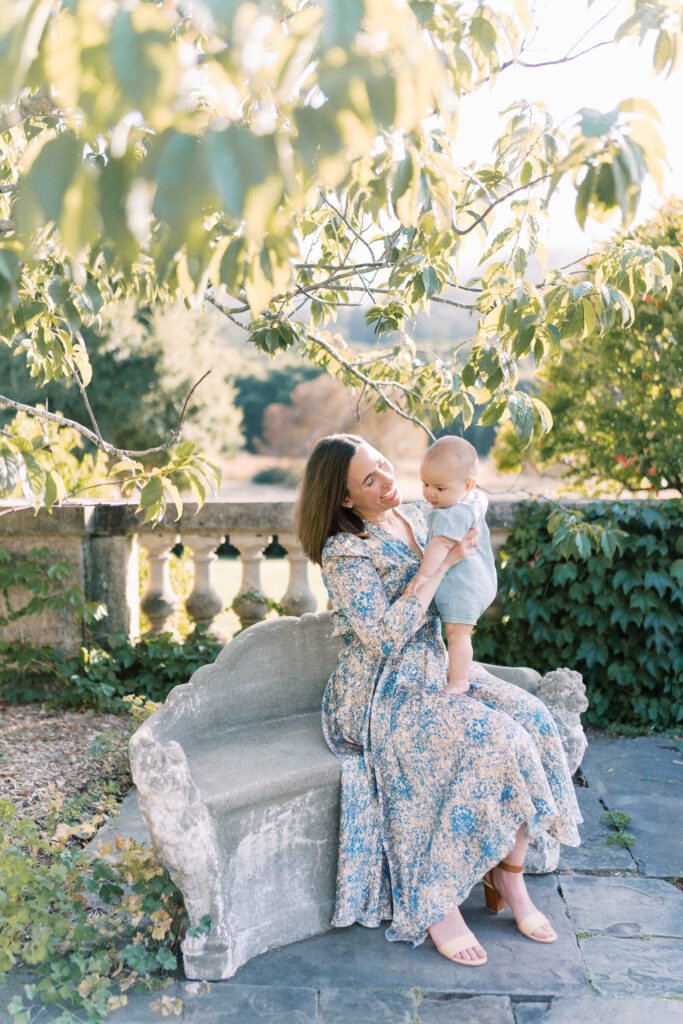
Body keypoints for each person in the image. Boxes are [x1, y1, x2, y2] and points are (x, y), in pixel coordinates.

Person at [295, 434, 582, 967]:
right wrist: (433, 571)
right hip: (380, 689)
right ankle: (436, 900)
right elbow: (381, 637)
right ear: (343, 499)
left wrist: (459, 563)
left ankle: (509, 877)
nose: (386, 481)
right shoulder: (345, 549)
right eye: (369, 480)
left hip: (437, 665)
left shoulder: (418, 514)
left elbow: (469, 526)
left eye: (383, 465)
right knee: (495, 739)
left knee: (534, 721)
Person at [405, 436, 496, 693]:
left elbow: (440, 546)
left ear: (467, 484)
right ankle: (457, 670)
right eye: (425, 484)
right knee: (457, 634)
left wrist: (423, 576)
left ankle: (458, 681)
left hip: (464, 585)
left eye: (440, 488)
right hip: (479, 577)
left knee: (457, 634)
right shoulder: (471, 498)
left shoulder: (454, 512)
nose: (430, 493)